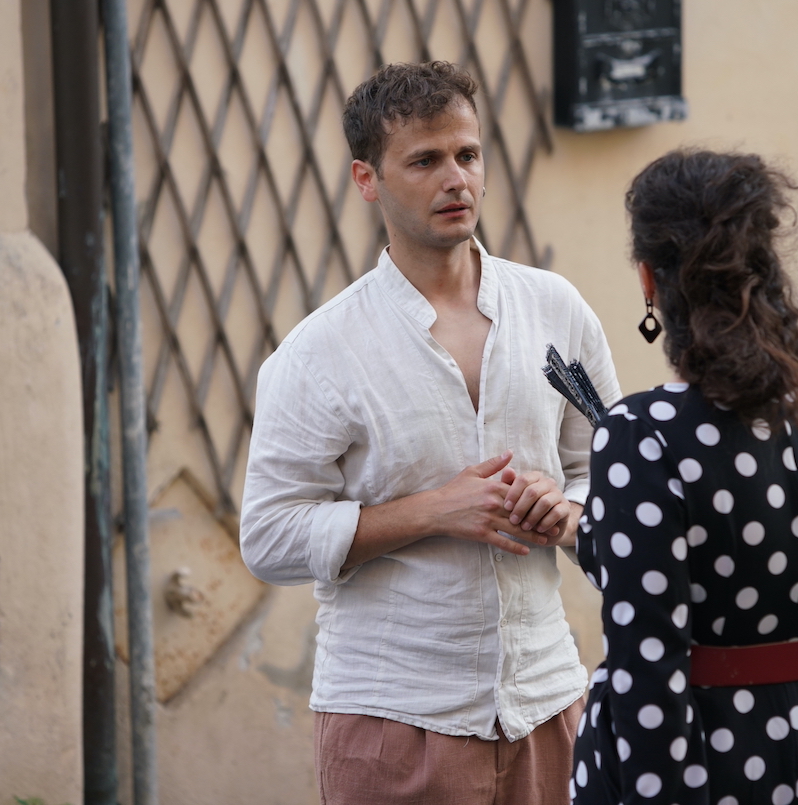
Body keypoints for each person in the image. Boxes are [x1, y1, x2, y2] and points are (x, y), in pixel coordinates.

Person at [239, 60, 620, 805]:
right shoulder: (319, 351)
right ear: (367, 179)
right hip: (392, 718)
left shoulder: (555, 309)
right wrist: (435, 511)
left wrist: (567, 512)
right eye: (425, 161)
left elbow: (610, 477)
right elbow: (269, 537)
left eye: (467, 154)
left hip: (547, 702)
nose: (456, 179)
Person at [571, 149, 798, 805]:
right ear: (766, 265)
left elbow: (647, 665)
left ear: (649, 280)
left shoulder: (643, 433)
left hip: (705, 754)